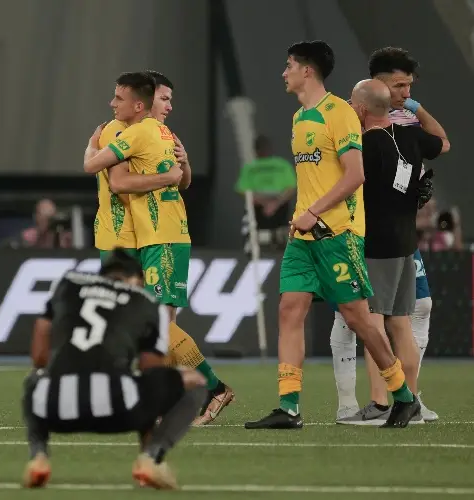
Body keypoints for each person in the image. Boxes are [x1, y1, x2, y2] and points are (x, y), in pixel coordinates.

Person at [245, 40, 420, 430]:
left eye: (289, 65)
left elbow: (355, 174)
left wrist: (312, 212)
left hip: (338, 233)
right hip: (303, 236)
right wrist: (301, 215)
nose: (284, 72)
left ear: (308, 71)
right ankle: (288, 408)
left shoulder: (339, 112)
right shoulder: (298, 117)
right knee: (289, 310)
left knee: (359, 320)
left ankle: (403, 396)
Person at [86, 71, 234, 425]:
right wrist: (92, 149)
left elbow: (178, 181)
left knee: (154, 326)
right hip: (124, 237)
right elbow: (119, 181)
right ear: (146, 101)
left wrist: (181, 166)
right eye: (164, 98)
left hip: (152, 237)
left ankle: (189, 393)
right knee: (147, 326)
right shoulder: (122, 130)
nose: (168, 106)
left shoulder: (154, 132)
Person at [21, 248, 207, 490]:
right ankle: (151, 458)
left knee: (34, 381)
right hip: (119, 409)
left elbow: (39, 357)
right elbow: (150, 369)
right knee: (191, 382)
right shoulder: (148, 303)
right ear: (136, 280)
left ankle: (38, 456)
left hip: (55, 409)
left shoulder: (68, 284)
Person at [331, 47, 450, 424]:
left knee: (371, 323)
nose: (405, 94)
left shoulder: (363, 140)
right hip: (404, 240)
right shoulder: (409, 136)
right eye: (399, 87)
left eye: (408, 87)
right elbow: (442, 142)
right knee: (398, 322)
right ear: (381, 89)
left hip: (374, 241)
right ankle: (403, 400)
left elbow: (347, 179)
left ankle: (383, 402)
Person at [235, 134, 297, 249]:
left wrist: (274, 204)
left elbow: (291, 188)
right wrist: (266, 204)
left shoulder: (281, 165)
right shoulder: (250, 167)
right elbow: (243, 191)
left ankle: (280, 240)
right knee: (250, 211)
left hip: (278, 205)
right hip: (259, 206)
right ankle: (255, 242)